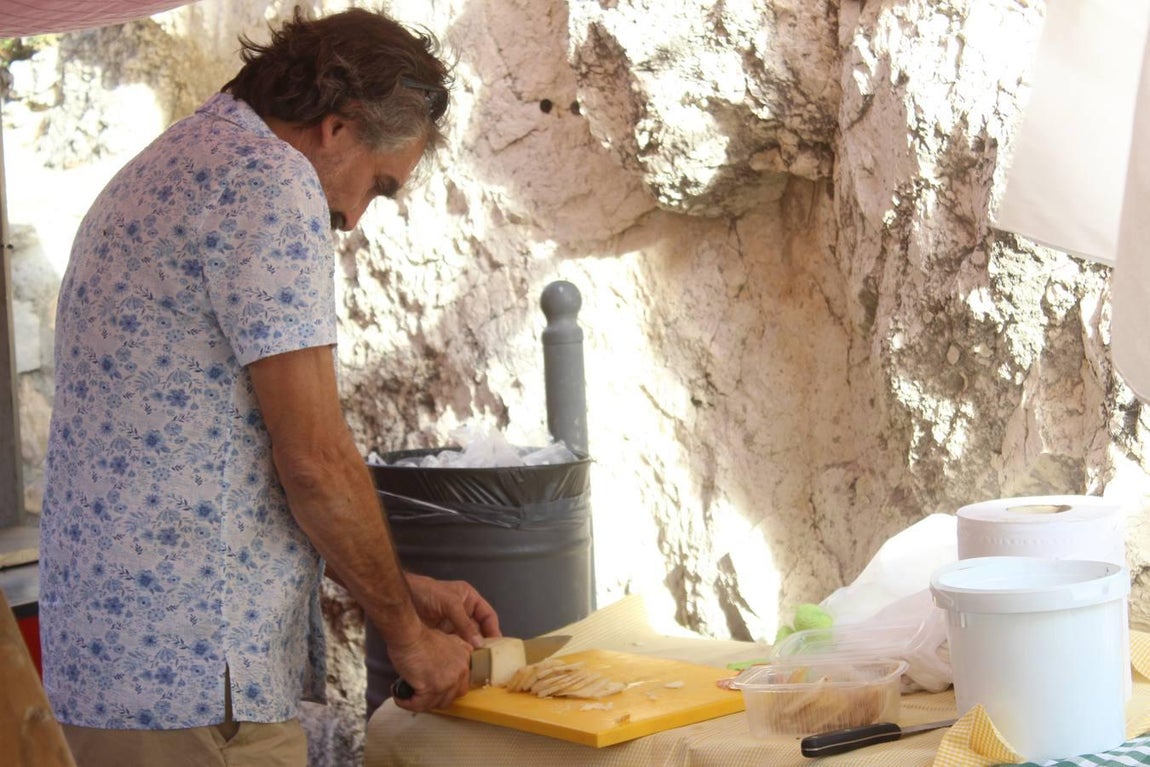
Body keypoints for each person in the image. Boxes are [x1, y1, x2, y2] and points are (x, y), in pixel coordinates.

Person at [37, 7, 500, 766]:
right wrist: (410, 637)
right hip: (193, 684)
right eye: (379, 186)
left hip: (115, 674)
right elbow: (313, 459)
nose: (352, 217)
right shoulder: (270, 182)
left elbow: (212, 473)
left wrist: (400, 587)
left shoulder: (174, 163)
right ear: (339, 126)